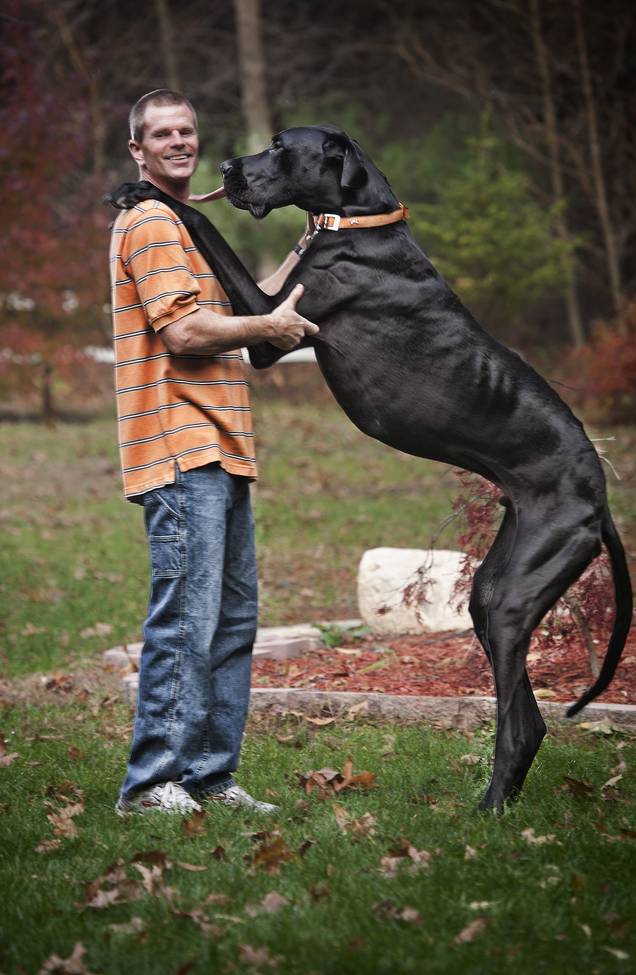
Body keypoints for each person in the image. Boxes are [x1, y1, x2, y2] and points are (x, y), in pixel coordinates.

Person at [110, 89, 318, 815]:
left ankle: (207, 775)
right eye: (161, 134)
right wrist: (267, 326)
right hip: (179, 444)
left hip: (221, 448)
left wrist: (312, 242)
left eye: (186, 131)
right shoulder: (150, 223)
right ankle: (151, 782)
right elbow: (186, 333)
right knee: (186, 620)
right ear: (138, 149)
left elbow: (250, 306)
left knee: (230, 623)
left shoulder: (187, 225)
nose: (178, 142)